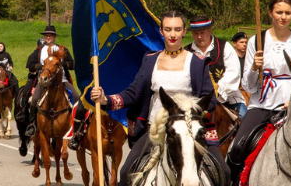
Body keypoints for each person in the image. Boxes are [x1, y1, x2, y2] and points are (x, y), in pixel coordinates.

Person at [87, 11, 229, 185]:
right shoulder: (150, 60)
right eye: (168, 29)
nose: (173, 34)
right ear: (161, 31)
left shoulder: (197, 62)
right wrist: (105, 100)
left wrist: (189, 109)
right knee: (125, 174)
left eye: (177, 29)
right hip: (155, 131)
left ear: (184, 31)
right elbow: (134, 93)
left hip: (189, 131)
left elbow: (210, 100)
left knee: (225, 172)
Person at [227, 0, 291, 180]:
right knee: (237, 147)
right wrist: (254, 67)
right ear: (270, 13)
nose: (283, 17)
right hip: (262, 104)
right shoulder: (256, 41)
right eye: (279, 12)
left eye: (287, 13)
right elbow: (249, 86)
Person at [186, 15, 243, 118]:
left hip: (228, 98)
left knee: (245, 122)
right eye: (196, 33)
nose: (199, 36)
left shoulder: (225, 47)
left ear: (209, 31)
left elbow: (233, 73)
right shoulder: (187, 51)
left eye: (202, 32)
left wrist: (217, 88)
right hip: (195, 102)